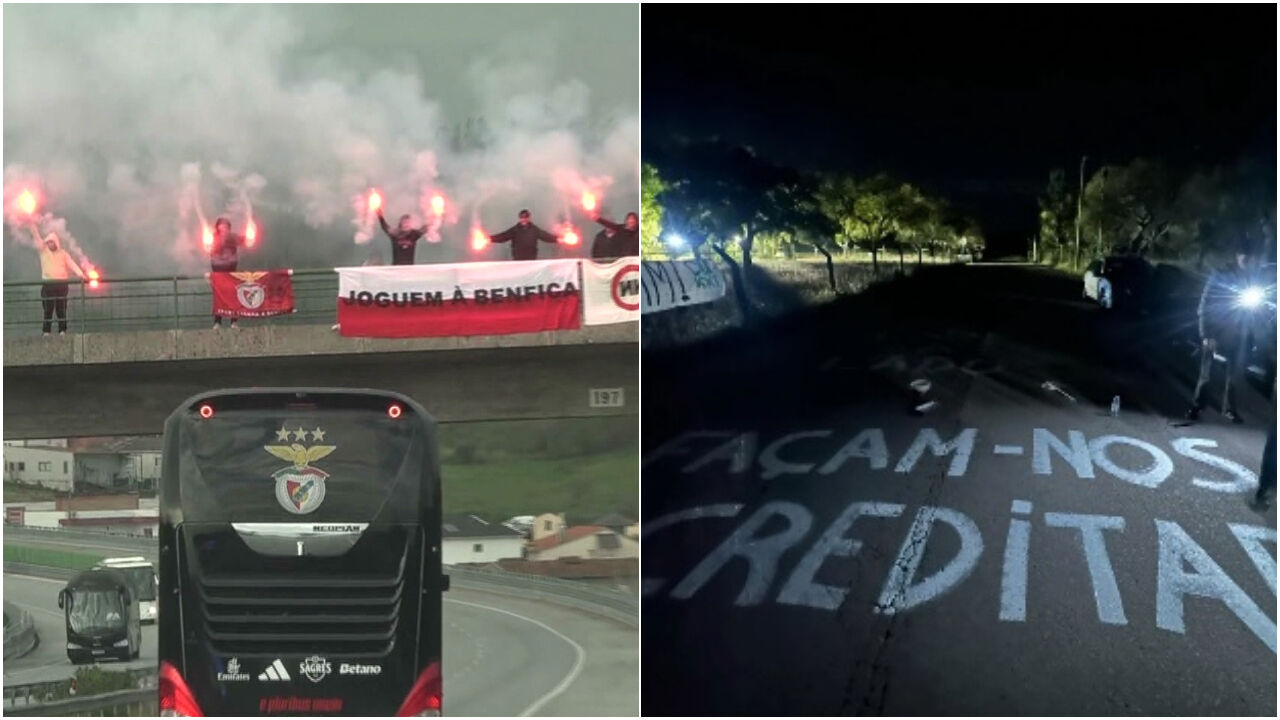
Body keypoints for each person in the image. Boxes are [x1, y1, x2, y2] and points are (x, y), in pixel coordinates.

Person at [1186, 247, 1262, 423]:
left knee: (1234, 376)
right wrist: (1206, 334)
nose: (1247, 259)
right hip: (1217, 332)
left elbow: (1256, 312)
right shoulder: (1221, 274)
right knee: (1207, 374)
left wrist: (1253, 338)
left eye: (1250, 256)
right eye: (1244, 254)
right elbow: (1205, 305)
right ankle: (1196, 406)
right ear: (1237, 255)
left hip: (1239, 336)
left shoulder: (1252, 279)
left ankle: (1229, 409)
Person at [29, 221, 86, 336]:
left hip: (61, 284)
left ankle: (62, 330)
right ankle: (46, 331)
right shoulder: (44, 252)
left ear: (56, 243)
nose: (49, 244)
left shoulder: (63, 254)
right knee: (48, 309)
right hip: (48, 284)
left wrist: (81, 274)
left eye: (51, 242)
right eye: (48, 242)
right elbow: (37, 237)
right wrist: (32, 226)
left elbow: (71, 264)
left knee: (61, 308)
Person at [209, 217, 242, 329]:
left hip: (231, 269)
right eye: (221, 225)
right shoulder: (213, 237)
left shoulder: (233, 237)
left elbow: (244, 241)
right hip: (218, 269)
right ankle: (217, 322)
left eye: (226, 225)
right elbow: (209, 248)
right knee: (219, 296)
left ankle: (234, 321)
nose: (223, 227)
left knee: (233, 295)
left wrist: (249, 237)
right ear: (217, 227)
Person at [489, 209, 560, 261]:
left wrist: (558, 239)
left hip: (531, 259)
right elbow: (503, 236)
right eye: (522, 217)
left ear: (529, 218)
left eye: (526, 217)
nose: (524, 219)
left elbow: (546, 236)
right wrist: (490, 239)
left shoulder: (534, 229)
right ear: (519, 218)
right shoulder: (515, 230)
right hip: (518, 259)